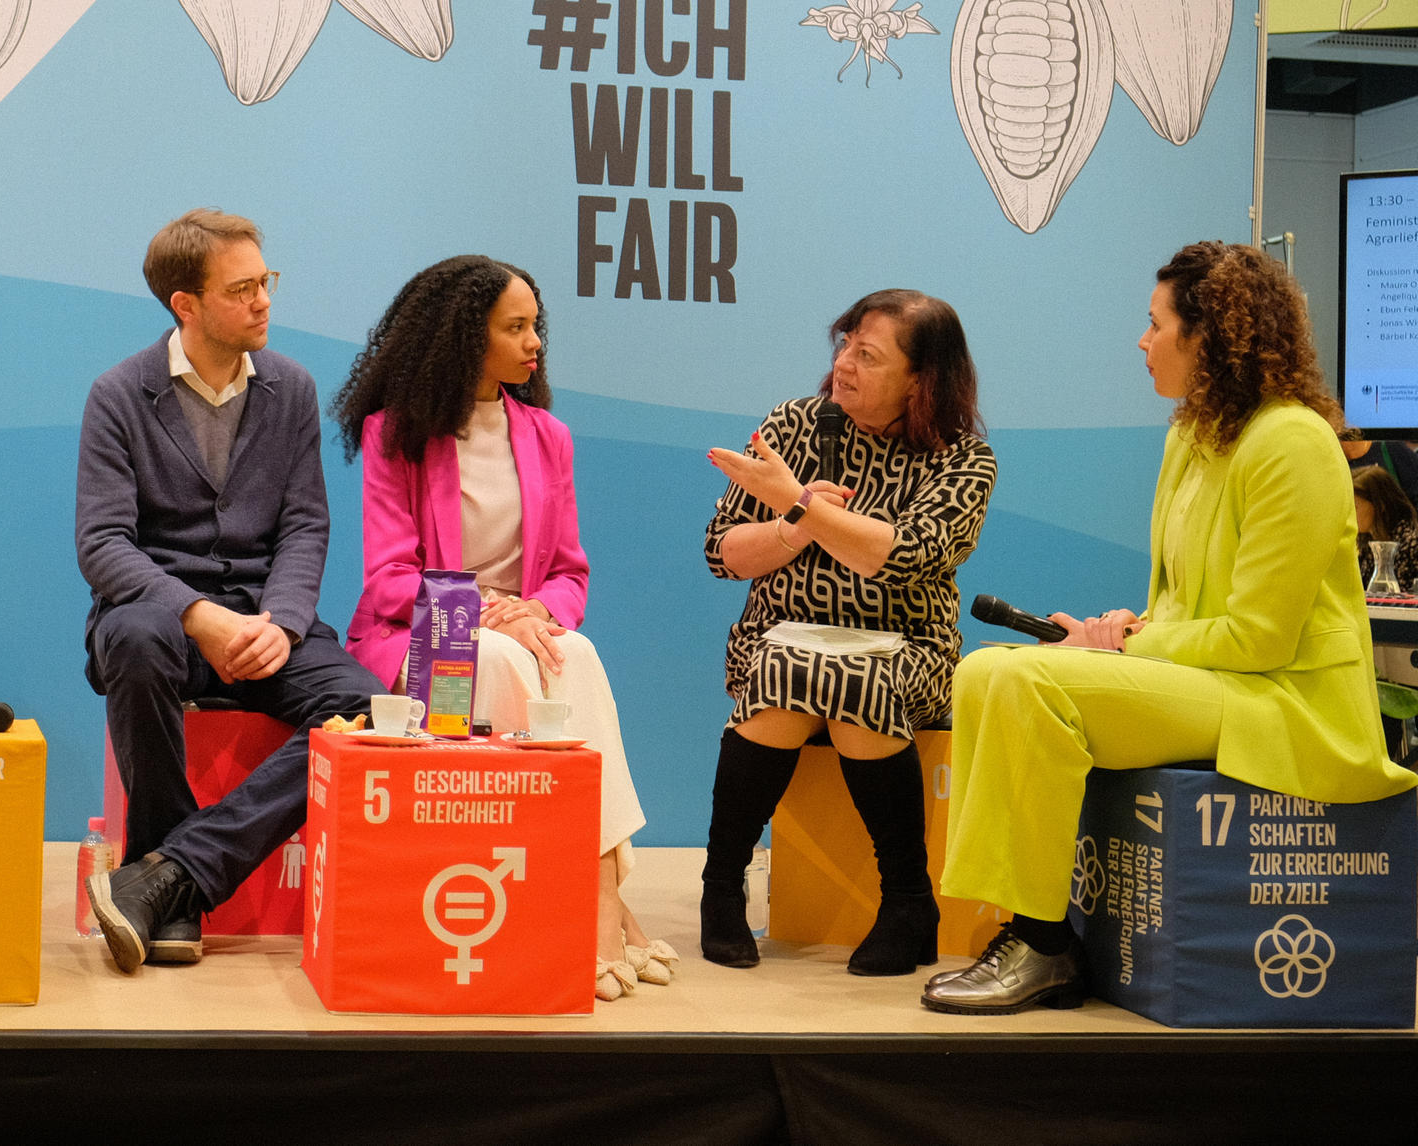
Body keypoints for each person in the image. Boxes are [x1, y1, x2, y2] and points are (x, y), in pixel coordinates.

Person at [926, 242, 1418, 1012]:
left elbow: (1261, 639)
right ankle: (1023, 930)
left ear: (1210, 335)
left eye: (1155, 323)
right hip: (1214, 679)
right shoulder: (1191, 435)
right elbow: (1190, 603)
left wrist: (1131, 643)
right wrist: (1132, 623)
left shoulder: (1291, 440)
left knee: (1024, 680)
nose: (1141, 340)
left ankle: (1043, 944)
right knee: (988, 669)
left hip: (1285, 702)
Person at [336, 255, 672, 1000]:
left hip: (519, 629)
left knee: (573, 653)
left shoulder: (548, 435)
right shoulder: (396, 433)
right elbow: (390, 579)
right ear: (463, 337)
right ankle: (606, 912)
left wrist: (537, 612)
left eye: (536, 326)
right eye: (515, 328)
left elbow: (569, 575)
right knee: (518, 663)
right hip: (419, 642)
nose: (535, 343)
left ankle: (598, 896)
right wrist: (490, 612)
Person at [77, 208, 380, 974]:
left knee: (373, 710)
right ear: (186, 305)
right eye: (242, 288)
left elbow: (307, 526)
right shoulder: (118, 394)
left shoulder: (292, 389)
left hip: (269, 619)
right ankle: (163, 880)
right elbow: (103, 545)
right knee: (138, 639)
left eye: (265, 282)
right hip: (161, 619)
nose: (264, 301)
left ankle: (170, 880)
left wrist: (282, 620)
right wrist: (197, 615)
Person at [700, 290, 997, 977]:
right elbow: (723, 553)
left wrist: (798, 500)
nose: (845, 365)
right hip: (775, 639)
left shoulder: (962, 461)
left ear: (922, 379)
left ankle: (907, 900)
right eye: (843, 346)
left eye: (868, 354)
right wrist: (793, 522)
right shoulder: (794, 427)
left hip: (907, 655)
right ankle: (724, 887)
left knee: (846, 676)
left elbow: (900, 557)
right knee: (789, 666)